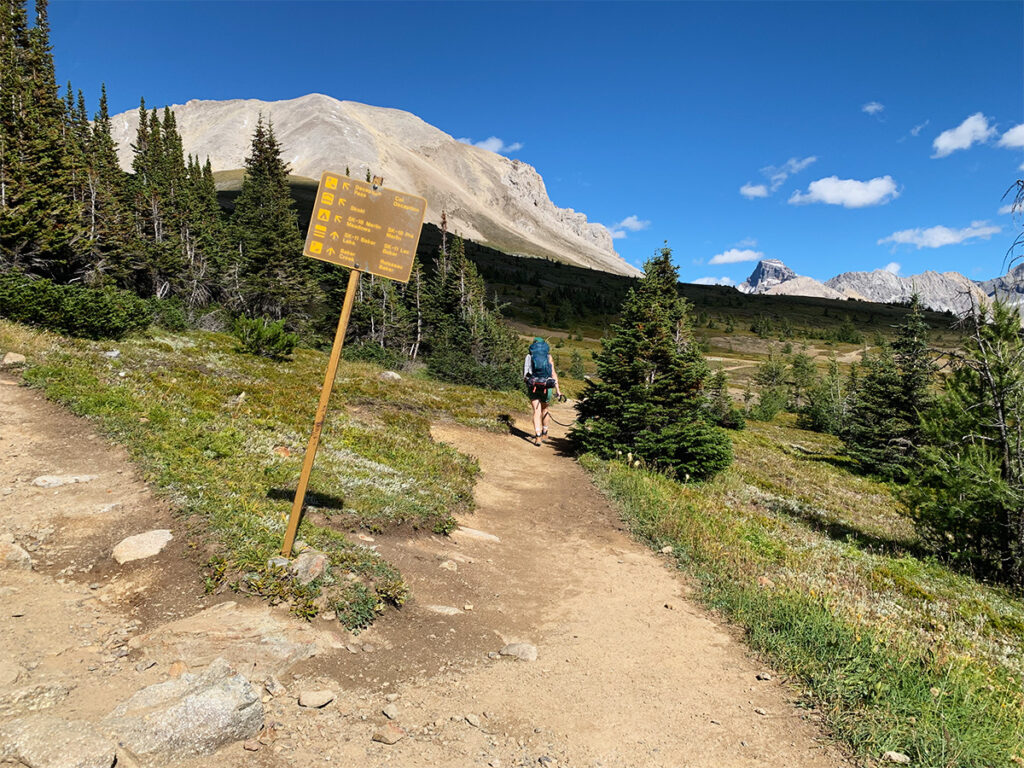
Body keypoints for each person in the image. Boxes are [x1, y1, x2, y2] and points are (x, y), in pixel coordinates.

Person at [524, 337, 561, 446]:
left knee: (536, 411)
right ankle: (545, 432)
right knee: (545, 410)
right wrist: (558, 390)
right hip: (547, 387)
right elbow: (553, 374)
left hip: (533, 387)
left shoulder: (529, 356)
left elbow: (525, 375)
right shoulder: (548, 356)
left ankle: (538, 436)